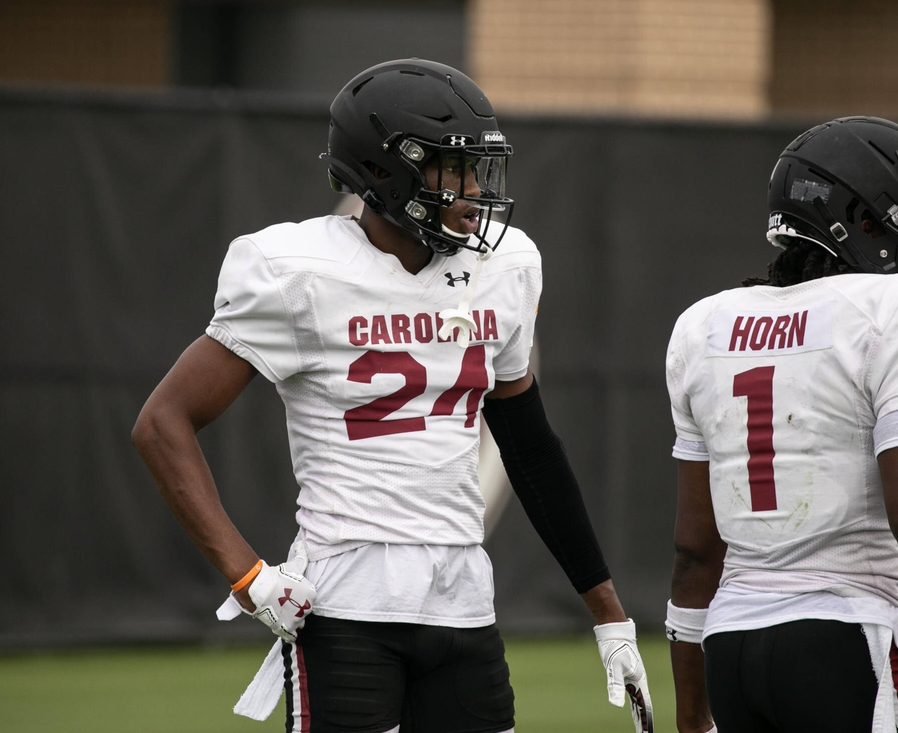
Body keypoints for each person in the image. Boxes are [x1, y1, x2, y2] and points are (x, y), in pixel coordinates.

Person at [131, 58, 653, 733]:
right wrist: (247, 575)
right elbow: (162, 423)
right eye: (451, 170)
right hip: (348, 605)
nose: (473, 191)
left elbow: (529, 446)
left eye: (477, 169)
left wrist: (608, 612)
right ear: (385, 172)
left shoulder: (505, 268)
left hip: (464, 602)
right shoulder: (300, 271)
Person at [662, 117, 898, 733]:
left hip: (730, 653)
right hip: (843, 644)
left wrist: (692, 715)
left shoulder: (704, 325)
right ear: (866, 223)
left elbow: (694, 549)